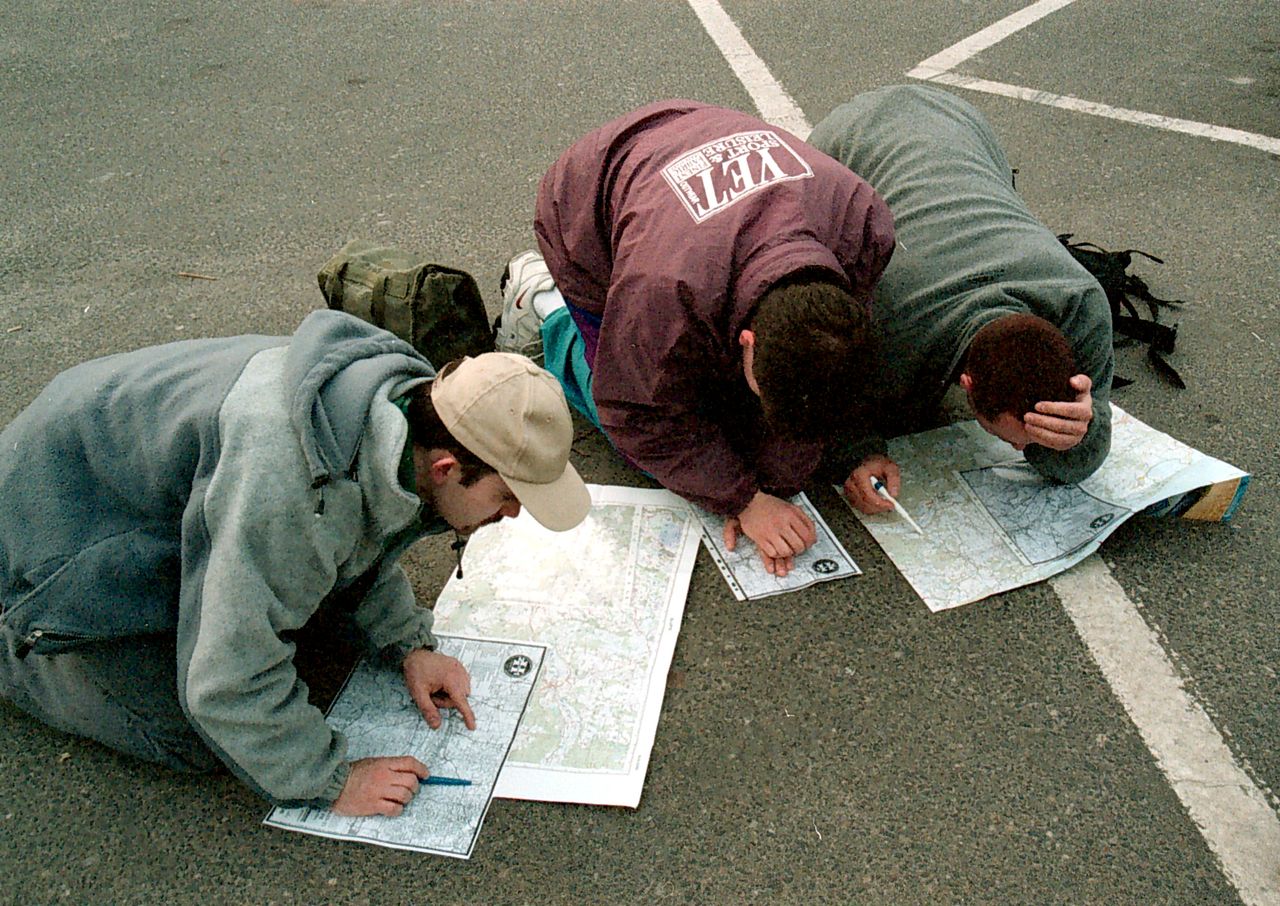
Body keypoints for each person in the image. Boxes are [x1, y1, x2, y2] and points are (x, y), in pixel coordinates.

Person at [0, 310, 589, 816]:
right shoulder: (290, 489)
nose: (513, 514)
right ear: (447, 468)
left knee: (305, 648)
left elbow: (363, 537)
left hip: (134, 482)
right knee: (198, 730)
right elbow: (222, 684)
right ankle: (15, 649)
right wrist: (332, 779)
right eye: (506, 495)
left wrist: (409, 646)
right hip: (54, 529)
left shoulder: (402, 413)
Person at [495, 99, 896, 576]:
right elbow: (636, 414)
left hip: (698, 195)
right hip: (590, 207)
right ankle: (543, 304)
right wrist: (743, 500)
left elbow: (836, 374)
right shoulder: (659, 291)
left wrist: (857, 448)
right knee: (640, 414)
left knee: (785, 469)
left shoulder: (863, 227)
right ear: (747, 341)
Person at [805, 84, 1114, 515]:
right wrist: (856, 454)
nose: (1018, 448)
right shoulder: (885, 316)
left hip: (957, 122)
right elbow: (811, 395)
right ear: (966, 384)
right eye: (1009, 441)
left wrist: (1085, 429)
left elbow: (1085, 451)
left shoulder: (1082, 303)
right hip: (844, 143)